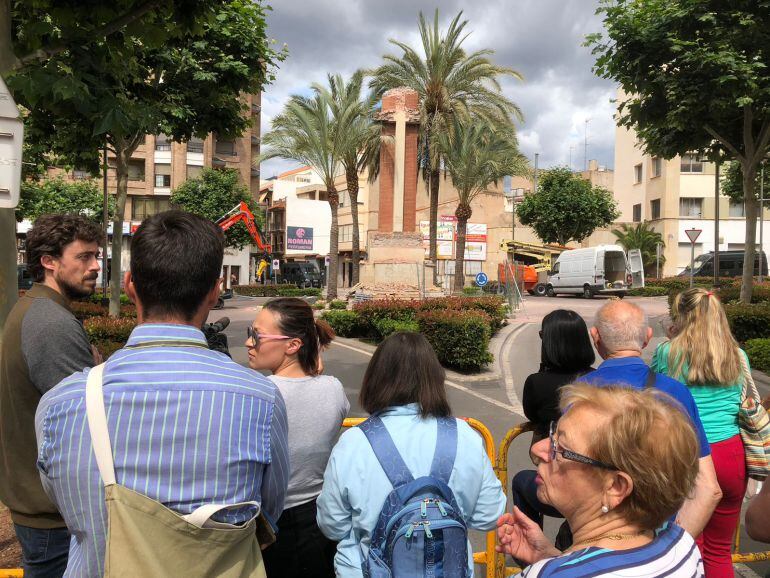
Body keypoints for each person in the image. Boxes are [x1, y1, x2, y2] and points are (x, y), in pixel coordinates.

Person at [35, 210, 290, 577]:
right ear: (215, 290)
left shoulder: (63, 403)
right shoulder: (260, 399)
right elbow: (270, 510)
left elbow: (62, 501)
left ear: (129, 285)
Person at [316, 332, 507, 577]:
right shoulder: (465, 435)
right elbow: (489, 516)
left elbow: (332, 525)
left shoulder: (354, 441)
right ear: (435, 378)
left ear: (375, 378)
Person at [497, 384, 704, 577]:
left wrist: (547, 568)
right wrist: (549, 559)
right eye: (553, 435)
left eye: (561, 449)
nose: (537, 449)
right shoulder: (680, 543)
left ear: (616, 487)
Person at [0, 214, 103, 577]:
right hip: (51, 514)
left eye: (97, 257)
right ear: (48, 261)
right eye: (84, 257)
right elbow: (85, 423)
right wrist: (98, 376)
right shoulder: (52, 324)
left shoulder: (37, 309)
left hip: (39, 503)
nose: (95, 266)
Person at [577, 300, 722, 538]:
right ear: (647, 336)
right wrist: (671, 549)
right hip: (658, 530)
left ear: (595, 336)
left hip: (598, 532)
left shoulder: (579, 393)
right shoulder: (675, 393)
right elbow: (709, 487)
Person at [246, 297, 349, 578]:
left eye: (257, 335)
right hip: (320, 520)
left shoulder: (258, 394)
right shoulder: (334, 389)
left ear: (293, 345)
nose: (249, 343)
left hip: (269, 524)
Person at [652, 288, 747, 576]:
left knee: (687, 548)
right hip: (731, 454)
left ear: (683, 317)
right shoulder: (738, 355)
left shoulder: (669, 352)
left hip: (690, 454)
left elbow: (654, 392)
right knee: (720, 550)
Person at [514, 310, 596, 529]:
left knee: (521, 481)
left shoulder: (537, 383)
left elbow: (531, 414)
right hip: (597, 490)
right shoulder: (598, 379)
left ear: (548, 342)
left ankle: (530, 550)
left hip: (558, 493)